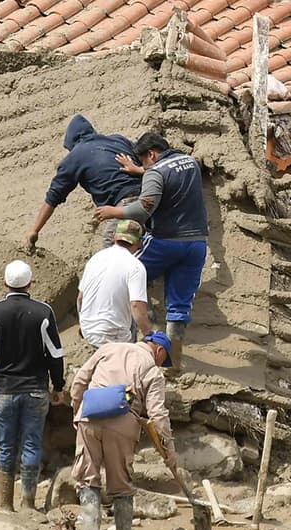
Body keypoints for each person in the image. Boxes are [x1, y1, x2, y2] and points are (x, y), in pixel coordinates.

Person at [94, 133, 208, 356]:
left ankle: (131, 340)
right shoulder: (190, 162)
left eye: (143, 160)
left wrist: (112, 212)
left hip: (165, 242)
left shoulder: (155, 172)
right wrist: (140, 171)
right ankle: (172, 357)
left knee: (125, 273)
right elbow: (168, 174)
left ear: (152, 154)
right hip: (196, 244)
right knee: (179, 305)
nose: (144, 165)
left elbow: (142, 209)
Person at [0, 260, 67, 511]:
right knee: (31, 444)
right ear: (30, 283)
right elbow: (55, 354)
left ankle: (5, 506)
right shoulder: (43, 312)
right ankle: (28, 504)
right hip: (36, 389)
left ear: (4, 282)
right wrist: (58, 386)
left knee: (5, 447)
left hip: (5, 390)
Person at [69, 332, 177, 530]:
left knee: (87, 475)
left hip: (89, 416)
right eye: (163, 360)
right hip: (122, 425)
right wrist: (169, 451)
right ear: (159, 351)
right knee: (121, 482)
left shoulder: (109, 348)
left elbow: (80, 380)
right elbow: (157, 415)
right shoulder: (153, 370)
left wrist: (77, 410)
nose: (161, 364)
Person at [22, 114, 143, 252]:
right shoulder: (118, 140)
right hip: (151, 196)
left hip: (126, 204)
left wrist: (34, 230)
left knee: (111, 254)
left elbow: (53, 197)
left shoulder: (75, 157)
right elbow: (145, 154)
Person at [78, 219, 153, 348]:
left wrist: (83, 323)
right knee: (132, 324)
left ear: (114, 237)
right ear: (139, 243)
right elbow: (136, 305)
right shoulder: (135, 266)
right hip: (113, 337)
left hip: (88, 331)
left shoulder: (95, 259)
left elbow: (80, 298)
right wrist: (149, 336)